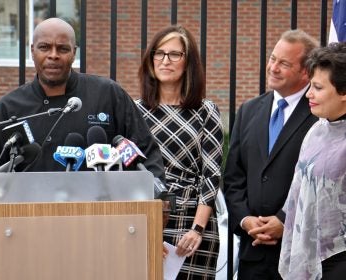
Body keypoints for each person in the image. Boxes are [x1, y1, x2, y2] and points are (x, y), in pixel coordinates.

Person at [0, 17, 164, 180]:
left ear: (74, 52)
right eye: (44, 47)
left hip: (99, 211)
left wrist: (157, 194)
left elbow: (146, 153)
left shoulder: (108, 95)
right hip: (27, 213)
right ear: (32, 51)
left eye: (63, 48)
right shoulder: (7, 109)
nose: (53, 55)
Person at [223, 29, 319, 279]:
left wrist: (285, 221)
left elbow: (323, 183)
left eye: (284, 63)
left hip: (299, 254)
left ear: (306, 72)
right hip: (252, 252)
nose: (273, 67)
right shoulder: (249, 110)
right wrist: (245, 220)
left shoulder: (320, 116)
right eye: (273, 58)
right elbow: (233, 177)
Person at [135, 25, 224, 279]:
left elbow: (212, 175)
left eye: (175, 54)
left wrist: (197, 229)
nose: (165, 60)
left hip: (192, 224)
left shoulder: (207, 111)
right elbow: (127, 171)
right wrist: (147, 228)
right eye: (159, 53)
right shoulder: (135, 110)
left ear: (189, 63)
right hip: (146, 217)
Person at [279, 42, 346, 280]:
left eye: (317, 87)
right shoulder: (316, 131)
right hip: (309, 257)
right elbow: (299, 195)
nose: (308, 94)